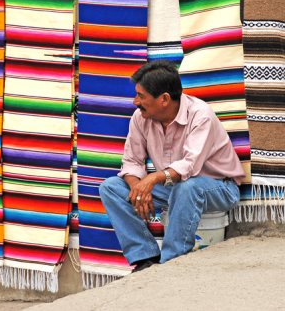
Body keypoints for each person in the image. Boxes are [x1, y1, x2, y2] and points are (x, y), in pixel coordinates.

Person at [99, 60, 245, 272]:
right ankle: (145, 258)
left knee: (188, 187)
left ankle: (170, 263)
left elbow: (189, 166)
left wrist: (151, 179)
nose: (135, 101)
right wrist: (137, 187)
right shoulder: (141, 118)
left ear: (164, 99)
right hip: (173, 187)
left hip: (219, 188)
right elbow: (131, 162)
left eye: (141, 96)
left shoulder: (200, 115)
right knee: (111, 187)